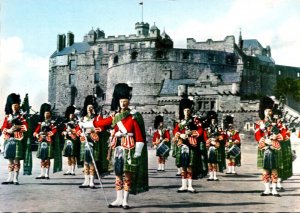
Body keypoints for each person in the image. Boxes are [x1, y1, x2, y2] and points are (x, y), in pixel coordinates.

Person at [106, 83, 148, 209]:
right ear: (118, 102)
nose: (123, 103)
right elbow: (102, 123)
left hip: (129, 149)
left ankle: (125, 200)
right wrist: (87, 124)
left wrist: (138, 151)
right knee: (118, 174)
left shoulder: (134, 116)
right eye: (121, 101)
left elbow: (139, 136)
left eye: (125, 101)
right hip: (118, 148)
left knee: (128, 175)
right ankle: (118, 199)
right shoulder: (115, 117)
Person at [77, 95, 111, 189]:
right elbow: (78, 129)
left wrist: (94, 131)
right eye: (88, 108)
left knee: (92, 162)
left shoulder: (97, 117)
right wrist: (80, 133)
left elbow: (102, 127)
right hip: (85, 141)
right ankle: (85, 181)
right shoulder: (82, 118)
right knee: (85, 162)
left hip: (94, 141)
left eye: (91, 107)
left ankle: (91, 181)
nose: (90, 109)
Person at [173, 97, 203, 193]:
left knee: (190, 165)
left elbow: (200, 131)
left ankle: (190, 186)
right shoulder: (180, 122)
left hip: (191, 144)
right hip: (182, 144)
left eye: (188, 110)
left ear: (191, 110)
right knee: (183, 166)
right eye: (185, 110)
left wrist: (191, 133)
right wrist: (180, 134)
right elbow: (175, 131)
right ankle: (183, 185)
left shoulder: (195, 120)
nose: (186, 112)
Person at [255, 96, 282, 197]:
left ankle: (274, 189)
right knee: (265, 169)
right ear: (263, 111)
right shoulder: (259, 123)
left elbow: (282, 133)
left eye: (270, 111)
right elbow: (257, 135)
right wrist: (263, 139)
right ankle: (267, 189)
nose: (268, 113)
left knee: (274, 169)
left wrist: (276, 136)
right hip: (264, 147)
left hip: (274, 146)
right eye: (266, 111)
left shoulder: (277, 122)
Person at [1, 93, 28, 185]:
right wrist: (9, 130)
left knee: (17, 159)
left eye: (17, 105)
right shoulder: (7, 117)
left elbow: (26, 128)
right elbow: (3, 128)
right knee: (10, 159)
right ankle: (9, 178)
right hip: (9, 139)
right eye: (13, 105)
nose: (15, 107)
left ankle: (15, 178)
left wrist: (17, 127)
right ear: (11, 106)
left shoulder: (22, 117)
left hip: (18, 139)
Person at [33, 103, 57, 179]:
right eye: (45, 113)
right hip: (41, 141)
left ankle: (47, 173)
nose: (46, 114)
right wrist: (37, 134)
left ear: (50, 114)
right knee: (42, 158)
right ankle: (42, 173)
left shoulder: (52, 123)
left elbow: (54, 130)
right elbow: (36, 131)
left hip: (48, 141)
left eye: (48, 113)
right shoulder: (41, 123)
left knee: (47, 158)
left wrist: (47, 134)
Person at [204, 111, 223, 181]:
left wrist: (217, 140)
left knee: (215, 162)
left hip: (216, 145)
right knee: (209, 162)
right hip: (209, 145)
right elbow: (205, 136)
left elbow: (222, 135)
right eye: (212, 120)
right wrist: (209, 141)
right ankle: (210, 175)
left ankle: (215, 176)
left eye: (214, 120)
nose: (213, 121)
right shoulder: (207, 129)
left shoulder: (218, 128)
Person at [62, 105, 80, 175]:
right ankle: (69, 169)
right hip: (67, 139)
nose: (71, 116)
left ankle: (73, 170)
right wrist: (64, 132)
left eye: (72, 114)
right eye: (70, 114)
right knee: (68, 155)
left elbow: (77, 130)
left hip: (73, 139)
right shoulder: (66, 122)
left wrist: (71, 132)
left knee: (73, 155)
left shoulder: (76, 122)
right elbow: (63, 130)